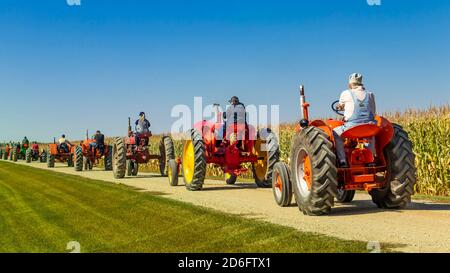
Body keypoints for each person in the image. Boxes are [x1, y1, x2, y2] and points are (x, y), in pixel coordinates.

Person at [333, 73, 377, 168]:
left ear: (350, 84)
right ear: (361, 83)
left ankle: (343, 161)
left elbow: (340, 106)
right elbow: (373, 112)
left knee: (335, 133)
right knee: (370, 135)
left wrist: (340, 107)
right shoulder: (370, 94)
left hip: (352, 127)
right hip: (368, 125)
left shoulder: (346, 93)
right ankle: (370, 159)